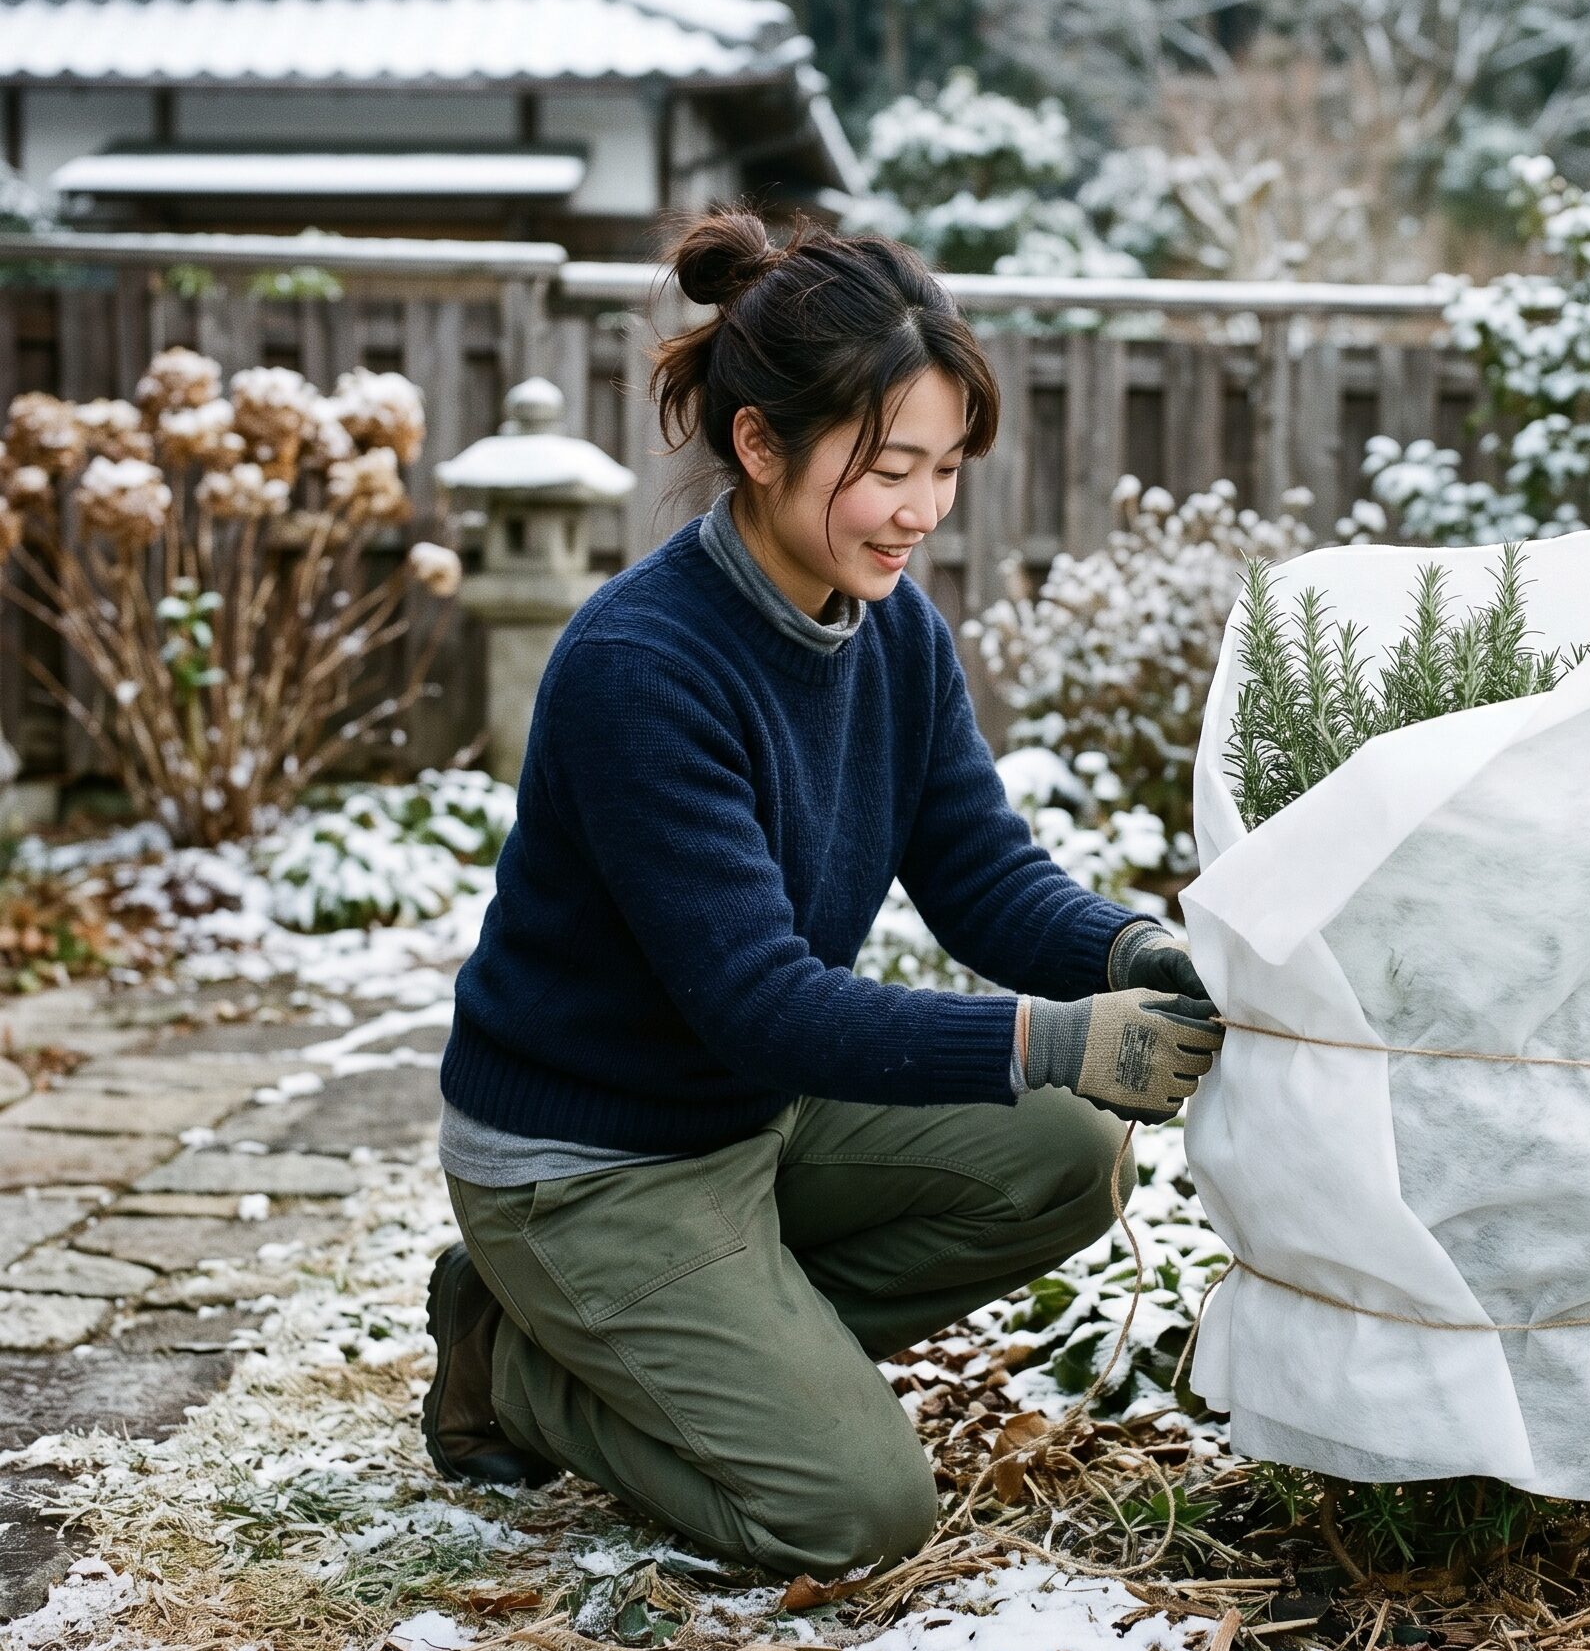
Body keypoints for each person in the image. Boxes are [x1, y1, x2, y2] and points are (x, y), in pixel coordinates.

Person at [424, 206, 1225, 1576]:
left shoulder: (892, 626)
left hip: (749, 1114)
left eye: (945, 469)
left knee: (1069, 1154)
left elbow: (977, 873)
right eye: (886, 469)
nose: (921, 511)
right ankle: (520, 1365)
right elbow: (761, 1003)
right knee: (853, 1515)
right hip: (593, 1164)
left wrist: (1133, 952)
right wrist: (1049, 1038)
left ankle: (714, 1348)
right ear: (759, 446)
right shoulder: (644, 667)